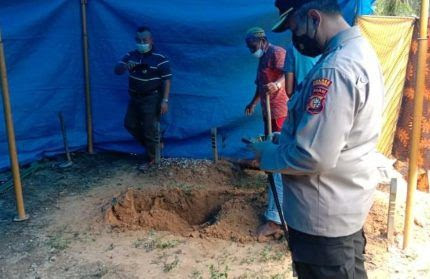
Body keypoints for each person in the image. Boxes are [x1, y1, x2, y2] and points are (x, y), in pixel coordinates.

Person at [250, 0, 384, 278]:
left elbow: (314, 156)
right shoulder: (358, 51)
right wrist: (283, 141)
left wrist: (267, 155)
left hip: (322, 224)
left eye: (295, 28)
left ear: (314, 17)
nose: (294, 38)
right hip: (341, 211)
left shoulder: (334, 69)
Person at [244, 27, 288, 240]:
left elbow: (286, 75)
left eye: (252, 46)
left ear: (262, 41)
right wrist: (253, 103)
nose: (251, 50)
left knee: (277, 154)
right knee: (270, 152)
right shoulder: (261, 60)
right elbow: (260, 87)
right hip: (267, 110)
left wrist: (277, 85)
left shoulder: (277, 52)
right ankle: (272, 185)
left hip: (280, 109)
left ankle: (276, 217)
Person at [114, 26, 172, 171]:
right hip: (134, 97)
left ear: (151, 40)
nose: (141, 43)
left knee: (149, 129)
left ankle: (153, 159)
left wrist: (165, 101)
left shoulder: (160, 59)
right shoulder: (131, 55)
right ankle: (154, 145)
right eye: (138, 40)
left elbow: (167, 80)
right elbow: (117, 70)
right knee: (130, 124)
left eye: (144, 40)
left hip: (151, 98)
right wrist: (126, 66)